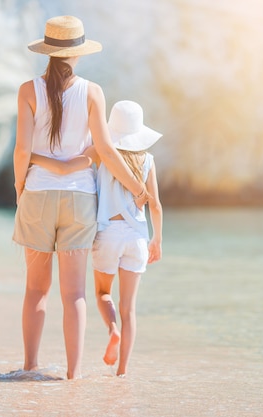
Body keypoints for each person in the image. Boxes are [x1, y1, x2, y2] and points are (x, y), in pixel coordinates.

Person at [12, 16, 149, 380]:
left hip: (37, 195)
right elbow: (105, 148)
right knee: (74, 294)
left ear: (48, 51)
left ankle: (30, 367)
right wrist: (137, 188)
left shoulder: (28, 90)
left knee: (35, 290)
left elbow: (21, 150)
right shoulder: (92, 92)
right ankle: (73, 376)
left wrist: (19, 190)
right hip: (79, 199)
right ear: (78, 54)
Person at [31, 100, 163, 377]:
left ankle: (111, 330)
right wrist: (157, 240)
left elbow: (69, 167)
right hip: (138, 237)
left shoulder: (102, 151)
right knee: (130, 309)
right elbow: (155, 205)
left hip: (107, 233)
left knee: (103, 293)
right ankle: (123, 371)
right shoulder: (148, 161)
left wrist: (33, 156)